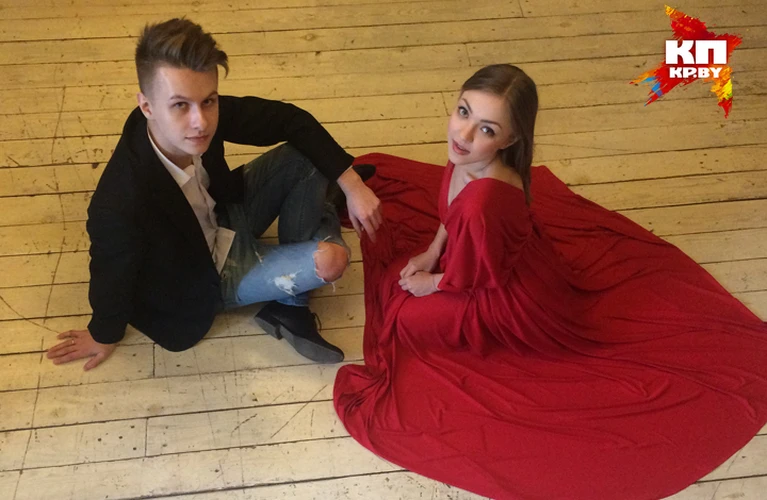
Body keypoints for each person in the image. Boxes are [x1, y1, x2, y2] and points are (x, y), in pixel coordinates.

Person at [333, 64, 767, 499]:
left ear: (510, 139)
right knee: (396, 287)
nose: (463, 135)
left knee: (402, 316)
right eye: (463, 112)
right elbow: (449, 212)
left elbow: (479, 277)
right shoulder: (467, 156)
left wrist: (433, 282)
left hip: (500, 292)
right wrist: (432, 251)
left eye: (486, 129)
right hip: (494, 259)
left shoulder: (483, 204)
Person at [46, 18, 382, 369]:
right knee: (333, 260)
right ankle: (310, 246)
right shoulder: (119, 201)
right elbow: (110, 269)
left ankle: (300, 271)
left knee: (306, 155)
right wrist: (104, 333)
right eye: (180, 105)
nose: (201, 122)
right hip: (206, 274)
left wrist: (351, 183)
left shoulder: (198, 113)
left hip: (226, 212)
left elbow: (290, 120)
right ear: (147, 107)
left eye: (209, 101)